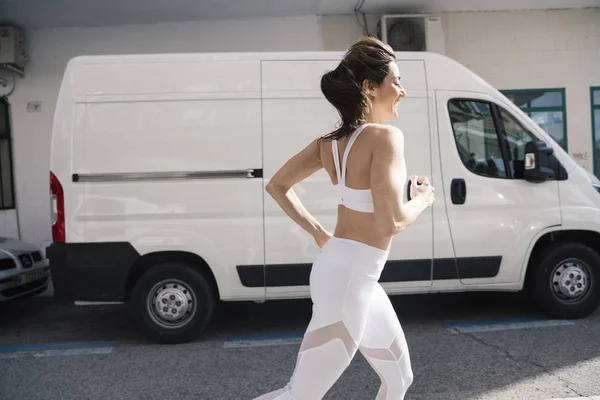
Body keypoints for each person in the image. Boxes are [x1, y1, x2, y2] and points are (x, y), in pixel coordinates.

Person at [254, 36, 435, 400]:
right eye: (396, 81)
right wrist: (424, 199)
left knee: (400, 379)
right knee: (300, 395)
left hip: (353, 275)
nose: (403, 90)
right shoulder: (386, 138)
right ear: (369, 87)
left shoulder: (330, 143)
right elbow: (391, 223)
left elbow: (277, 186)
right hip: (348, 281)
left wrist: (321, 234)